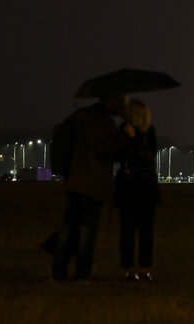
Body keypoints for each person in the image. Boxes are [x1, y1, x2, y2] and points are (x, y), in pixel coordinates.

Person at [52, 94, 131, 282]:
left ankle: (59, 271)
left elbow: (62, 140)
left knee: (68, 227)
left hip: (73, 180)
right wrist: (126, 133)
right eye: (119, 101)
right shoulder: (105, 123)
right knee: (88, 229)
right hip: (93, 183)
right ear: (108, 99)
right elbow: (109, 151)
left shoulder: (78, 116)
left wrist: (63, 172)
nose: (122, 104)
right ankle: (82, 272)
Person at [114, 100, 160, 281]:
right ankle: (135, 268)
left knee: (141, 231)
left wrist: (131, 141)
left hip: (137, 186)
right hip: (136, 187)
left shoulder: (148, 132)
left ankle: (139, 267)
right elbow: (117, 155)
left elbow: (147, 156)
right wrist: (125, 138)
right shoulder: (124, 130)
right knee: (131, 231)